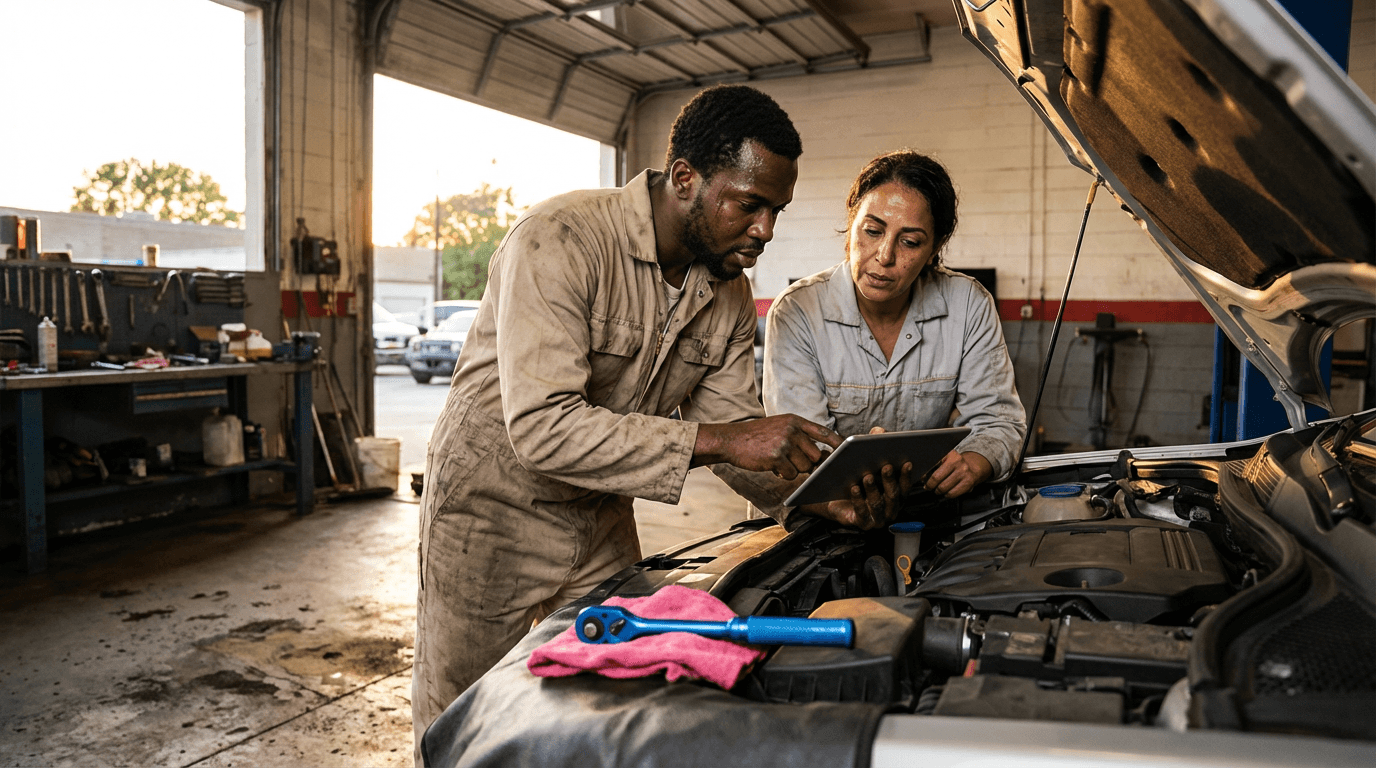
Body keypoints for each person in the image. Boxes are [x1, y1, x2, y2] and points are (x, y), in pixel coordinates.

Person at [411, 85, 847, 756]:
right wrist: (728, 438)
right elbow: (544, 427)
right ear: (685, 179)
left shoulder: (727, 289)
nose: (765, 230)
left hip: (599, 513)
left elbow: (738, 435)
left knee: (615, 690)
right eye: (749, 204)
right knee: (463, 719)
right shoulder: (560, 241)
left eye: (776, 211)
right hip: (489, 509)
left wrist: (824, 497)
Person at [763, 149, 1026, 529]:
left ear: (934, 249)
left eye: (910, 242)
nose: (884, 256)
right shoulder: (798, 312)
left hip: (924, 513)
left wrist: (976, 461)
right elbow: (802, 454)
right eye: (872, 231)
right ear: (851, 223)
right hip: (821, 521)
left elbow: (999, 420)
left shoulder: (967, 304)